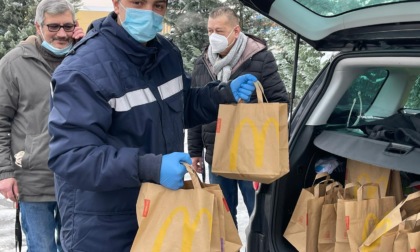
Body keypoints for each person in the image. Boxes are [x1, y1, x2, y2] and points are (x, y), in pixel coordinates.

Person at [47, 0, 257, 251]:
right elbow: (71, 156)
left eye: (158, 5)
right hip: (105, 227)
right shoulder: (83, 70)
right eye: (138, 2)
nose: (149, 12)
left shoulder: (165, 54)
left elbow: (179, 106)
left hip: (161, 212)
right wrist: (150, 167)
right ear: (116, 3)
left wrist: (221, 95)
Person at [187, 6, 289, 227]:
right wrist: (195, 151)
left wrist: (251, 109)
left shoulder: (259, 58)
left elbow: (280, 102)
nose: (213, 36)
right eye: (210, 30)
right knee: (223, 221)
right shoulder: (202, 62)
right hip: (217, 155)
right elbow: (194, 108)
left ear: (236, 30)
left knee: (258, 217)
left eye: (220, 31)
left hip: (252, 156)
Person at [0, 0, 84, 251]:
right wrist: (5, 173)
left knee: (77, 247)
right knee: (43, 248)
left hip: (79, 177)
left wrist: (86, 46)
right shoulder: (14, 64)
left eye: (68, 26)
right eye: (53, 26)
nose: (61, 33)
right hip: (34, 179)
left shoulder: (85, 58)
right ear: (38, 26)